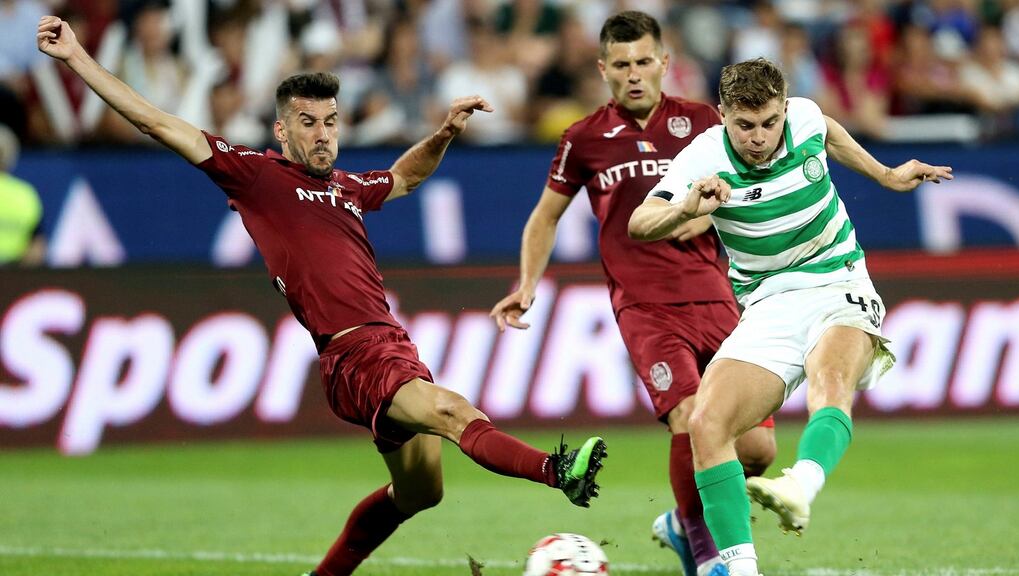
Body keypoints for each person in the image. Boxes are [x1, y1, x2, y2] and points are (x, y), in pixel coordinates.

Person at [36, 15, 608, 576]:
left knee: (420, 493)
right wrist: (78, 58)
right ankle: (560, 472)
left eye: (330, 121)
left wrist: (441, 134)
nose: (323, 134)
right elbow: (159, 124)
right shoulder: (256, 176)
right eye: (307, 123)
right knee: (453, 411)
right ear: (282, 131)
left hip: (393, 345)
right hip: (354, 354)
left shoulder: (347, 188)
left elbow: (404, 177)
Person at [628, 57, 953, 576]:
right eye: (744, 125)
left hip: (839, 280)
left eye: (769, 123)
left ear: (783, 109)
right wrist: (685, 208)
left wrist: (888, 176)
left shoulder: (804, 116)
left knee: (831, 375)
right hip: (766, 304)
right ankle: (740, 570)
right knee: (707, 423)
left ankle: (800, 485)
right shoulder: (704, 156)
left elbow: (830, 133)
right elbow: (639, 222)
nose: (758, 137)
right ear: (722, 116)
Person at [489, 11, 776, 576]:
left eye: (645, 61)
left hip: (715, 296)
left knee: (758, 452)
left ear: (665, 63)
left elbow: (750, 185)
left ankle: (676, 520)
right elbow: (545, 218)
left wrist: (715, 207)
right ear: (603, 69)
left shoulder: (705, 124)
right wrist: (526, 284)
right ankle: (705, 553)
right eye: (621, 65)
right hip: (645, 307)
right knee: (691, 418)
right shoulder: (584, 137)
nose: (635, 73)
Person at [0, 123, 45, 266]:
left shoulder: (25, 193)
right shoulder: (25, 193)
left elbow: (37, 243)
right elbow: (37, 246)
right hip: (15, 276)